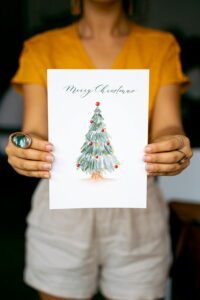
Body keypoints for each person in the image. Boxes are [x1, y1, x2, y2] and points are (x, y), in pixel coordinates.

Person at [6, 0, 193, 299]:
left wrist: (173, 143)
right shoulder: (41, 47)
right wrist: (25, 147)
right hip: (61, 207)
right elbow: (35, 130)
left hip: (137, 208)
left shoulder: (160, 46)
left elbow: (167, 127)